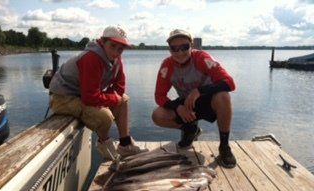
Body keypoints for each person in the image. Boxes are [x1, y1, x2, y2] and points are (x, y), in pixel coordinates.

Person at [49, 26, 147, 160]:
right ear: (103, 42)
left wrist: (114, 98)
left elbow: (120, 85)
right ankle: (105, 144)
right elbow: (89, 97)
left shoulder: (116, 60)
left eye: (120, 49)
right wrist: (112, 100)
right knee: (105, 116)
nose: (116, 52)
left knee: (124, 99)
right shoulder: (91, 58)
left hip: (82, 95)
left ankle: (125, 145)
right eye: (113, 46)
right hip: (62, 98)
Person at [152, 29, 236, 168]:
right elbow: (159, 95)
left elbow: (229, 83)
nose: (179, 52)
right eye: (174, 48)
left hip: (209, 101)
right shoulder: (167, 66)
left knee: (223, 96)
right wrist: (178, 108)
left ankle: (224, 146)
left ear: (191, 46)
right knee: (157, 115)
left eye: (184, 47)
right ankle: (190, 129)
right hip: (187, 105)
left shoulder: (202, 58)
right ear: (169, 50)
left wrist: (199, 91)